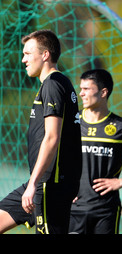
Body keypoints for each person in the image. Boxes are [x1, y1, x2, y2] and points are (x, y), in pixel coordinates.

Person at [0, 30, 82, 234]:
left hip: (48, 183)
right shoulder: (58, 83)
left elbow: (52, 138)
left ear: (45, 55)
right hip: (44, 181)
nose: (23, 60)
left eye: (28, 54)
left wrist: (34, 183)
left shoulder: (53, 85)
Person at [69, 69, 122, 234]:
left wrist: (121, 181)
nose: (81, 94)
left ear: (103, 92)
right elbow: (55, 157)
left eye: (86, 89)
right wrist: (64, 188)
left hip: (106, 210)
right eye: (81, 89)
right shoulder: (71, 123)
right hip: (74, 208)